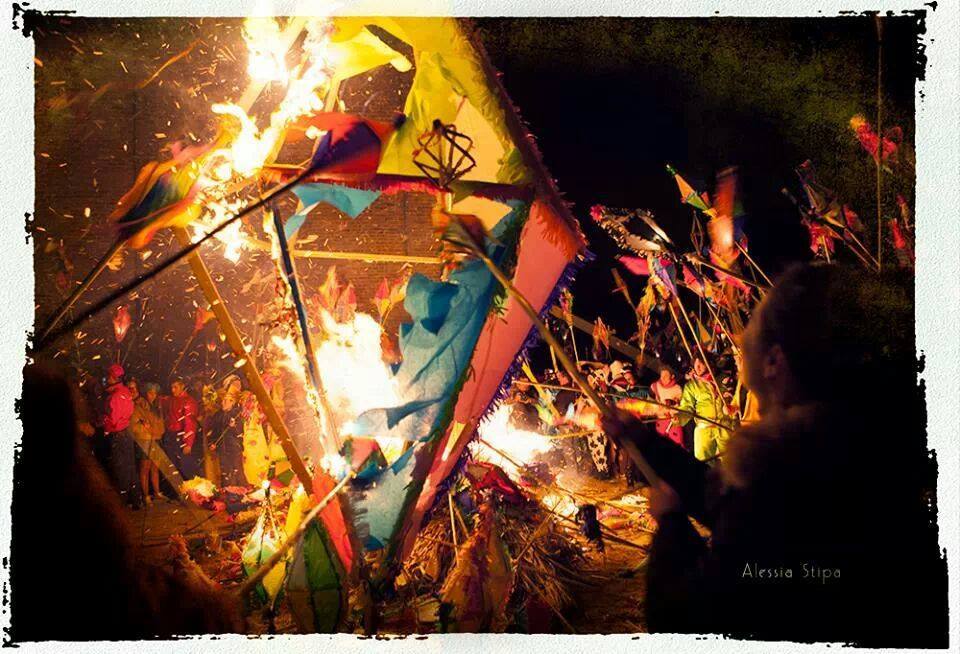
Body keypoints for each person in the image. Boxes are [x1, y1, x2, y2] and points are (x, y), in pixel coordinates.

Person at [603, 264, 947, 645]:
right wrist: (643, 441)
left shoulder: (789, 479)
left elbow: (689, 619)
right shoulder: (872, 452)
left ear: (773, 361)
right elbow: (722, 497)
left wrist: (672, 529)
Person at [674, 357, 731, 460]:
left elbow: (734, 396)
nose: (698, 368)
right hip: (704, 428)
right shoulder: (692, 385)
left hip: (724, 426)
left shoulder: (723, 378)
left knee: (730, 459)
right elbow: (687, 407)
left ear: (708, 363)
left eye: (700, 364)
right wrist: (679, 417)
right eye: (695, 365)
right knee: (703, 460)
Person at [102, 363, 139, 509]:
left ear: (114, 378)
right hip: (127, 432)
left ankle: (122, 501)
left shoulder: (116, 396)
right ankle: (136, 500)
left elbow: (114, 419)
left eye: (109, 377)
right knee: (130, 467)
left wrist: (104, 422)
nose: (107, 379)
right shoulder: (126, 392)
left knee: (120, 468)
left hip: (118, 434)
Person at [207, 375, 246, 487]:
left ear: (233, 402)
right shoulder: (218, 415)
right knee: (226, 472)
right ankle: (229, 492)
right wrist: (212, 443)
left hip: (234, 449)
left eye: (227, 400)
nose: (224, 402)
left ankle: (241, 490)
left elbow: (240, 433)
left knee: (237, 471)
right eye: (223, 400)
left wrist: (233, 427)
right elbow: (214, 432)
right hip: (222, 449)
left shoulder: (237, 414)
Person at [130, 381, 165, 504]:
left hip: (156, 439)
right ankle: (145, 495)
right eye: (150, 393)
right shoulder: (139, 405)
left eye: (154, 393)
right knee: (145, 468)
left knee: (155, 467)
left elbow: (160, 423)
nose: (153, 395)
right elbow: (133, 425)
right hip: (145, 440)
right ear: (145, 393)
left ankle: (157, 492)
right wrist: (143, 427)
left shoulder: (156, 406)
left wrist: (159, 431)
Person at [161, 378, 200, 481]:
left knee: (185, 465)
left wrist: (188, 443)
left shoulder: (188, 401)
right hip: (170, 436)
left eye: (175, 387)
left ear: (182, 386)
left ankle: (191, 486)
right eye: (172, 387)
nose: (173, 390)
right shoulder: (171, 399)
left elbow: (190, 423)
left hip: (181, 436)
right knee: (172, 465)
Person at [650, 367, 684, 447]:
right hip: (661, 419)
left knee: (677, 441)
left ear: (672, 376)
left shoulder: (677, 388)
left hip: (673, 420)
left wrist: (673, 403)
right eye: (661, 375)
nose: (663, 378)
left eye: (666, 375)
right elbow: (651, 399)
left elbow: (682, 405)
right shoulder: (655, 386)